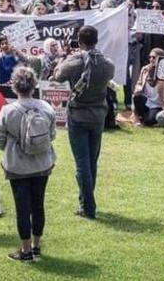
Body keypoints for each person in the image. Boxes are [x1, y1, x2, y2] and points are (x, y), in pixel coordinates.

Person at [0, 66, 57, 262]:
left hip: (17, 166)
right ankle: (37, 246)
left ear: (13, 86)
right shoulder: (46, 107)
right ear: (34, 85)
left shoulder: (7, 111)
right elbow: (52, 135)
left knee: (22, 207)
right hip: (42, 164)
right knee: (38, 205)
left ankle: (25, 250)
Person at [54, 25, 115, 220]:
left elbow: (57, 75)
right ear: (96, 41)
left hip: (78, 114)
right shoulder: (107, 64)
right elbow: (110, 75)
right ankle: (86, 201)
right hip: (98, 115)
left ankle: (88, 206)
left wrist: (66, 55)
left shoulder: (74, 61)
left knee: (82, 164)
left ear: (79, 42)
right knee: (92, 162)